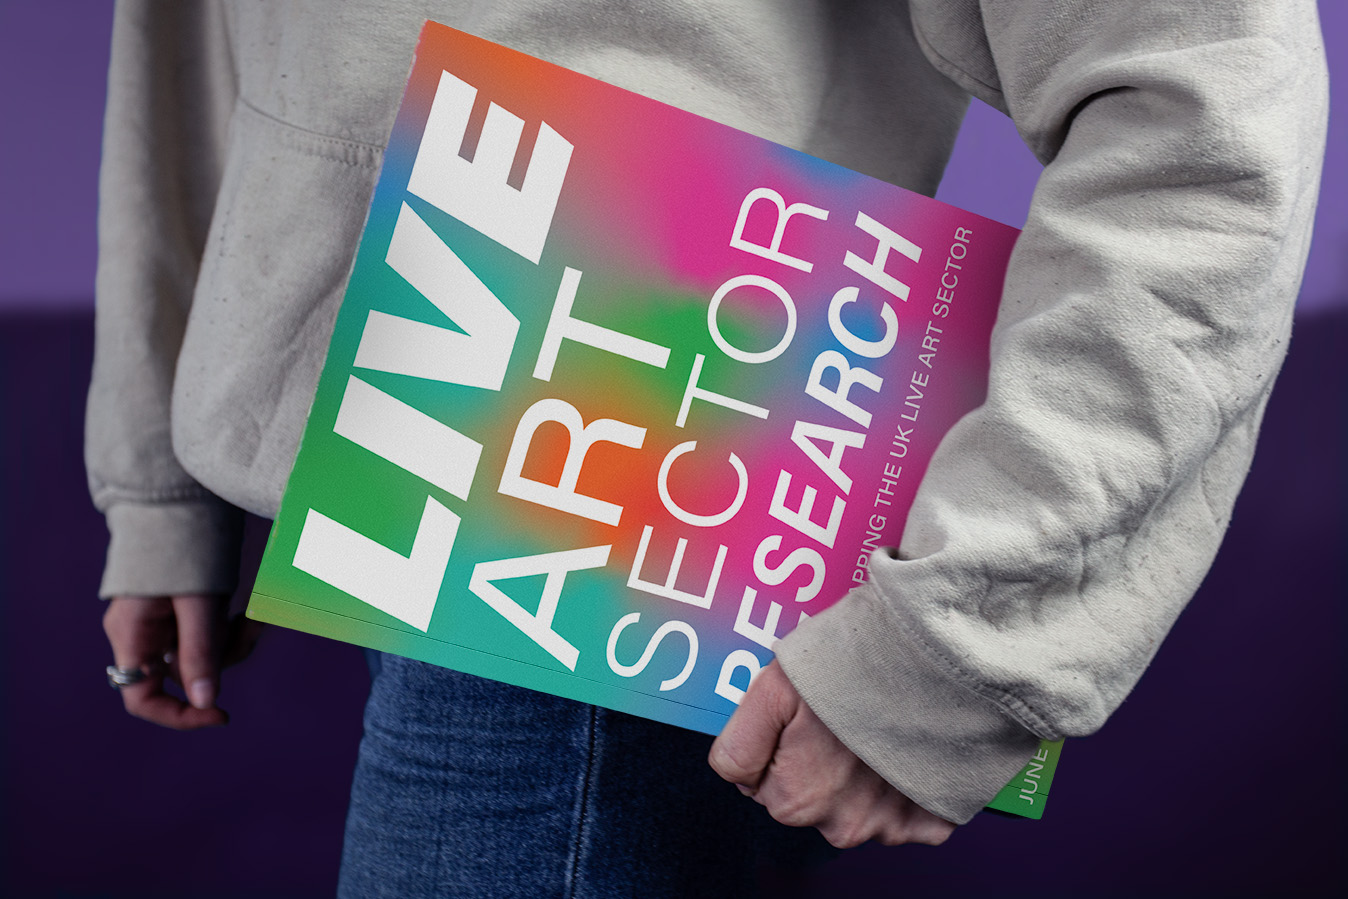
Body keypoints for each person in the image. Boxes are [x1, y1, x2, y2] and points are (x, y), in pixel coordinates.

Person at [89, 0, 1329, 894]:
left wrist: (957, 638)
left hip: (626, 551)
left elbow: (1203, 114)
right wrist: (164, 457)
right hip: (372, 480)